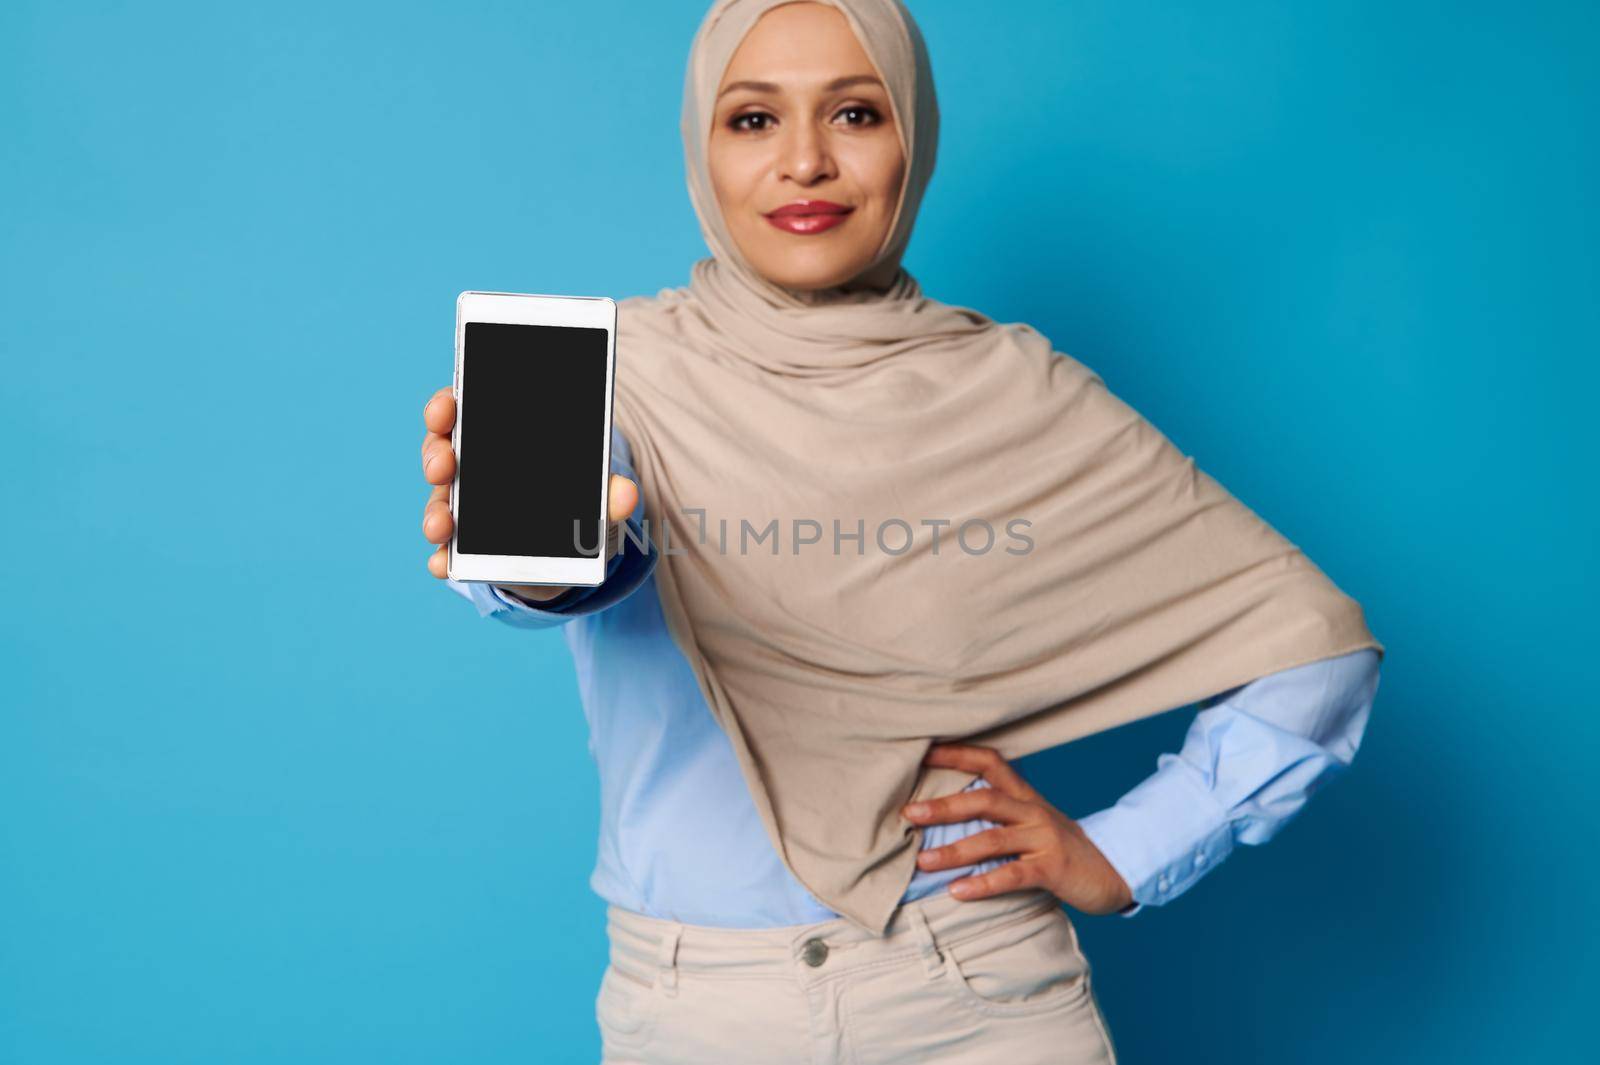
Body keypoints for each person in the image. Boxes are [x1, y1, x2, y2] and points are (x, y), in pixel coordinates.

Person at [418, 2, 1383, 1061]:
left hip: (976, 992)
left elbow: (1313, 640)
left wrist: (1123, 852)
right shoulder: (613, 374)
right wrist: (545, 566)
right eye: (751, 121)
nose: (804, 163)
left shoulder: (1017, 389)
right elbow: (563, 555)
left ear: (911, 139)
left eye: (855, 114)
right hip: (696, 1008)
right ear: (701, 145)